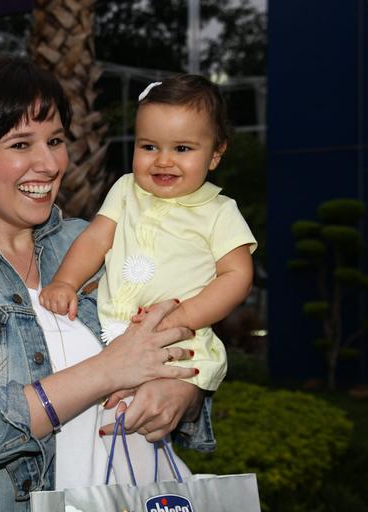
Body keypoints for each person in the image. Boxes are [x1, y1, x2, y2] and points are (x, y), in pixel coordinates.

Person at [0, 58, 216, 512]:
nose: (49, 163)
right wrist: (105, 371)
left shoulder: (97, 243)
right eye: (21, 144)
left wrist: (184, 395)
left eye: (55, 140)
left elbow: (183, 339)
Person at [39, 75, 257, 482]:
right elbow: (95, 239)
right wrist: (66, 282)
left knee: (139, 439)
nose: (163, 161)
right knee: (99, 435)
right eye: (149, 146)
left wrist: (180, 318)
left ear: (215, 154)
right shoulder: (125, 190)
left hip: (179, 343)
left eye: (183, 149)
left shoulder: (219, 211)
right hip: (111, 334)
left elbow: (236, 276)